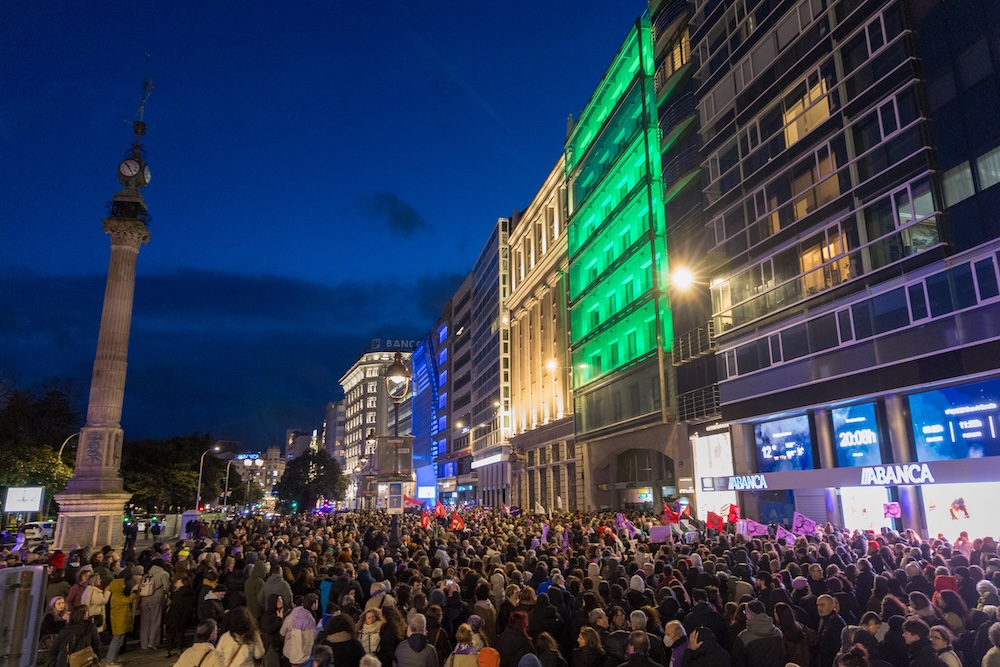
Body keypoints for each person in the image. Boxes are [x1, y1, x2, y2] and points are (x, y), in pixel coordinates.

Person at [731, 600, 784, 667]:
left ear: (750, 614)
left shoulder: (743, 637)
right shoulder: (778, 633)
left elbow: (737, 661)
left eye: (746, 612)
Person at [105, 569, 139, 664]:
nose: (124, 586)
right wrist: (134, 591)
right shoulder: (117, 597)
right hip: (119, 622)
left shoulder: (117, 595)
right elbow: (128, 600)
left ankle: (114, 659)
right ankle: (110, 660)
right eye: (122, 585)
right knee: (116, 642)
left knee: (118, 642)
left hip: (120, 621)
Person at [138, 556, 171, 650]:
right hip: (156, 600)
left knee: (145, 623)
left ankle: (144, 643)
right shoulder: (163, 574)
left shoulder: (146, 574)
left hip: (145, 600)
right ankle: (153, 643)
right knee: (155, 621)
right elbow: (166, 588)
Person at [282, 594, 319, 667]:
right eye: (317, 602)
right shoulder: (309, 620)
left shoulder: (295, 614)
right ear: (313, 604)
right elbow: (310, 641)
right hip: (302, 658)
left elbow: (283, 633)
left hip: (292, 655)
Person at [165, 574, 197, 657]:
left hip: (175, 615)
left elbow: (173, 603)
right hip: (185, 615)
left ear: (183, 583)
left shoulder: (177, 593)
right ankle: (180, 648)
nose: (176, 582)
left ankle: (169, 649)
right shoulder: (191, 592)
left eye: (178, 581)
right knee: (181, 632)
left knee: (171, 633)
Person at [773, 601, 813, 667]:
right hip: (804, 662)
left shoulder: (779, 633)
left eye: (775, 612)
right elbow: (814, 638)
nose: (774, 614)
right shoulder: (800, 627)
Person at [820, 594, 849, 667]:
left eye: (822, 605)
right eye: (818, 605)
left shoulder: (836, 623)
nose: (819, 608)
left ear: (831, 606)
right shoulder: (824, 620)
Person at [259, 594, 286, 667]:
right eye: (278, 600)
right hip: (271, 647)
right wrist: (279, 619)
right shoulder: (267, 615)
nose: (281, 602)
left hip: (278, 646)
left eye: (281, 599)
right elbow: (269, 629)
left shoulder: (280, 613)